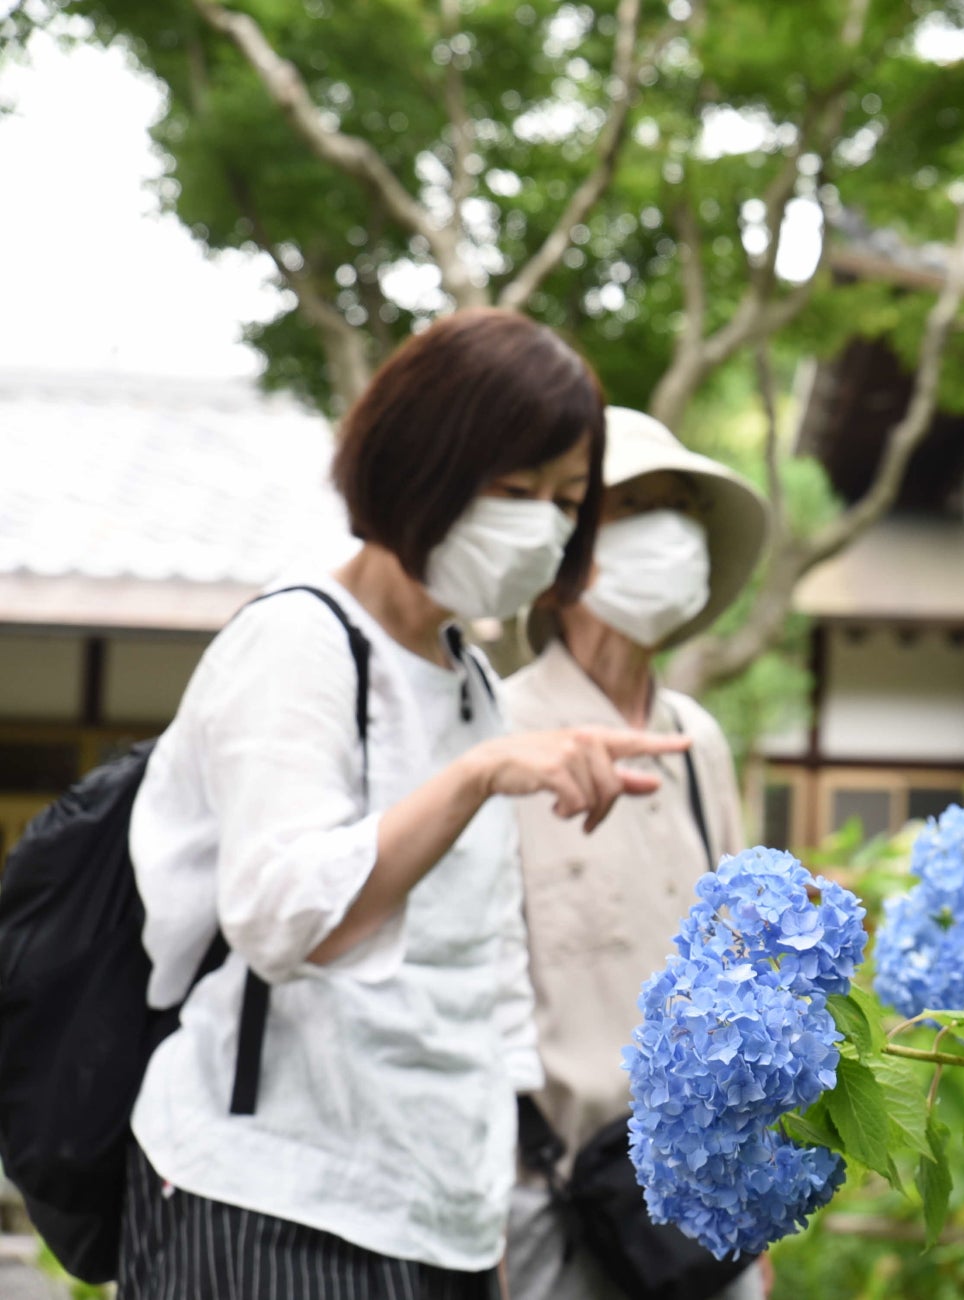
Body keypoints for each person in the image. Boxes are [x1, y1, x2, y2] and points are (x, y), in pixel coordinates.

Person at [122, 310, 690, 1300]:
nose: (544, 529)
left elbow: (479, 957)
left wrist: (499, 1176)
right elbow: (287, 917)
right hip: (273, 1199)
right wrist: (477, 777)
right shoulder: (300, 643)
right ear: (422, 465)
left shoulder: (467, 674)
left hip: (438, 1213)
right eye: (514, 491)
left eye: (566, 501)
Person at [502, 407, 770, 1300]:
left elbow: (742, 974)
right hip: (553, 1202)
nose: (669, 531)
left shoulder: (698, 742)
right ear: (559, 559)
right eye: (628, 507)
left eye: (677, 505)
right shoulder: (497, 735)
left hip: (708, 1198)